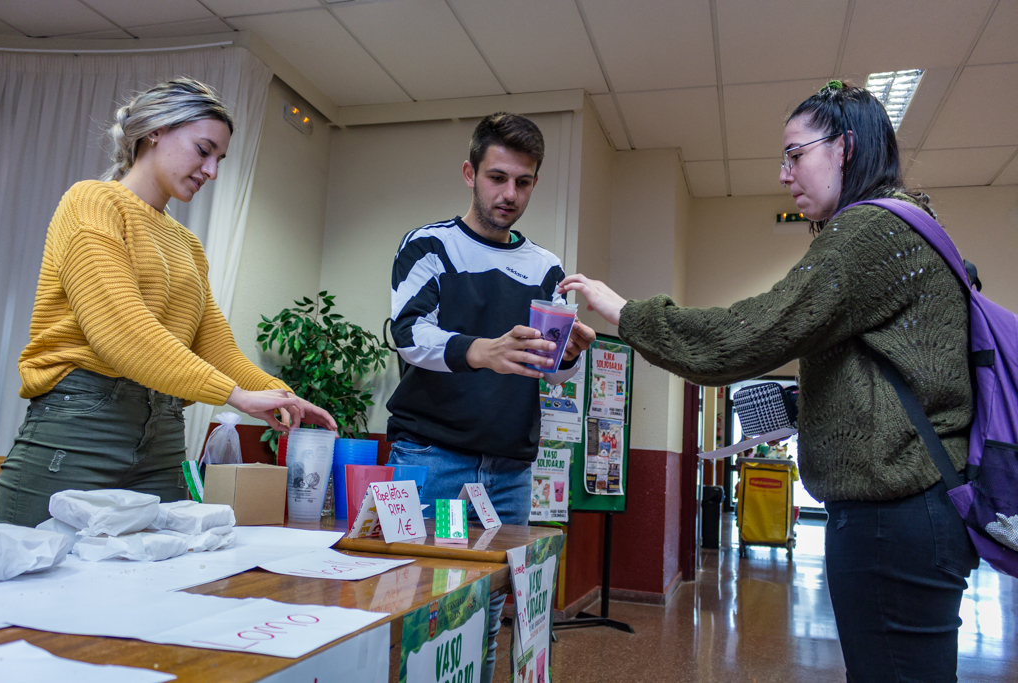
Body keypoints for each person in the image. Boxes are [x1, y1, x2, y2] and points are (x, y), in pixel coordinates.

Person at [559, 81, 979, 682]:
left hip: (895, 516)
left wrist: (625, 313)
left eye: (795, 154)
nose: (784, 174)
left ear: (845, 147)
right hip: (913, 510)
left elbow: (749, 333)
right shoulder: (906, 226)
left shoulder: (871, 231)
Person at [0, 78, 336, 529]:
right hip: (83, 424)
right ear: (155, 131)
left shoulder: (186, 244)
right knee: (33, 563)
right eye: (203, 150)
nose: (211, 171)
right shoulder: (92, 202)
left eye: (219, 159)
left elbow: (216, 349)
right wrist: (235, 396)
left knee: (161, 568)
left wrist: (282, 396)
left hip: (164, 431)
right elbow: (120, 331)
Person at [386, 112, 595, 683]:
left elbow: (550, 373)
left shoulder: (545, 267)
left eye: (523, 182)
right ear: (469, 173)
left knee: (489, 613)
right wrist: (483, 350)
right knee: (426, 610)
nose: (509, 194)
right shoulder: (430, 244)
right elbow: (408, 335)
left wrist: (568, 356)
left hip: (509, 472)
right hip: (435, 458)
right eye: (497, 178)